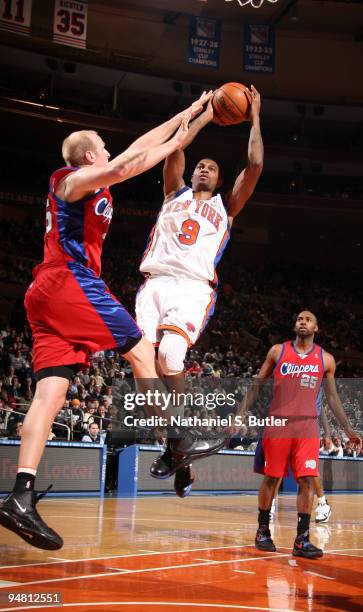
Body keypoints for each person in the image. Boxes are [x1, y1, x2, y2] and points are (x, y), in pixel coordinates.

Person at [0, 93, 223, 551]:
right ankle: (178, 441)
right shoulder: (70, 179)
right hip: (68, 280)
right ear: (87, 155)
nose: (108, 149)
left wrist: (188, 116)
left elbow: (134, 151)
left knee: (51, 393)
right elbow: (128, 165)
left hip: (47, 296)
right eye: (102, 145)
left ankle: (19, 496)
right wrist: (178, 137)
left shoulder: (92, 177)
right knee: (142, 349)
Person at [136, 85, 263, 497]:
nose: (204, 169)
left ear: (220, 179)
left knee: (169, 356)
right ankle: (178, 449)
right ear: (190, 172)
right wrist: (206, 111)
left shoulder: (226, 207)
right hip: (153, 283)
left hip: (190, 288)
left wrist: (255, 115)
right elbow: (177, 144)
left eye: (211, 167)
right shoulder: (173, 192)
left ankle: (180, 440)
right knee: (142, 364)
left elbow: (256, 164)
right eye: (200, 166)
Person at [239, 311, 361, 559]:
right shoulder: (277, 351)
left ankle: (302, 539)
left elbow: (332, 398)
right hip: (278, 423)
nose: (302, 321)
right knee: (272, 478)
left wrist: (347, 428)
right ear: (295, 325)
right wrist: (239, 414)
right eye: (299, 319)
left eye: (308, 319)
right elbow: (257, 384)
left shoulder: (325, 359)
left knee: (306, 480)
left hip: (307, 426)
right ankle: (263, 531)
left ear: (316, 327)